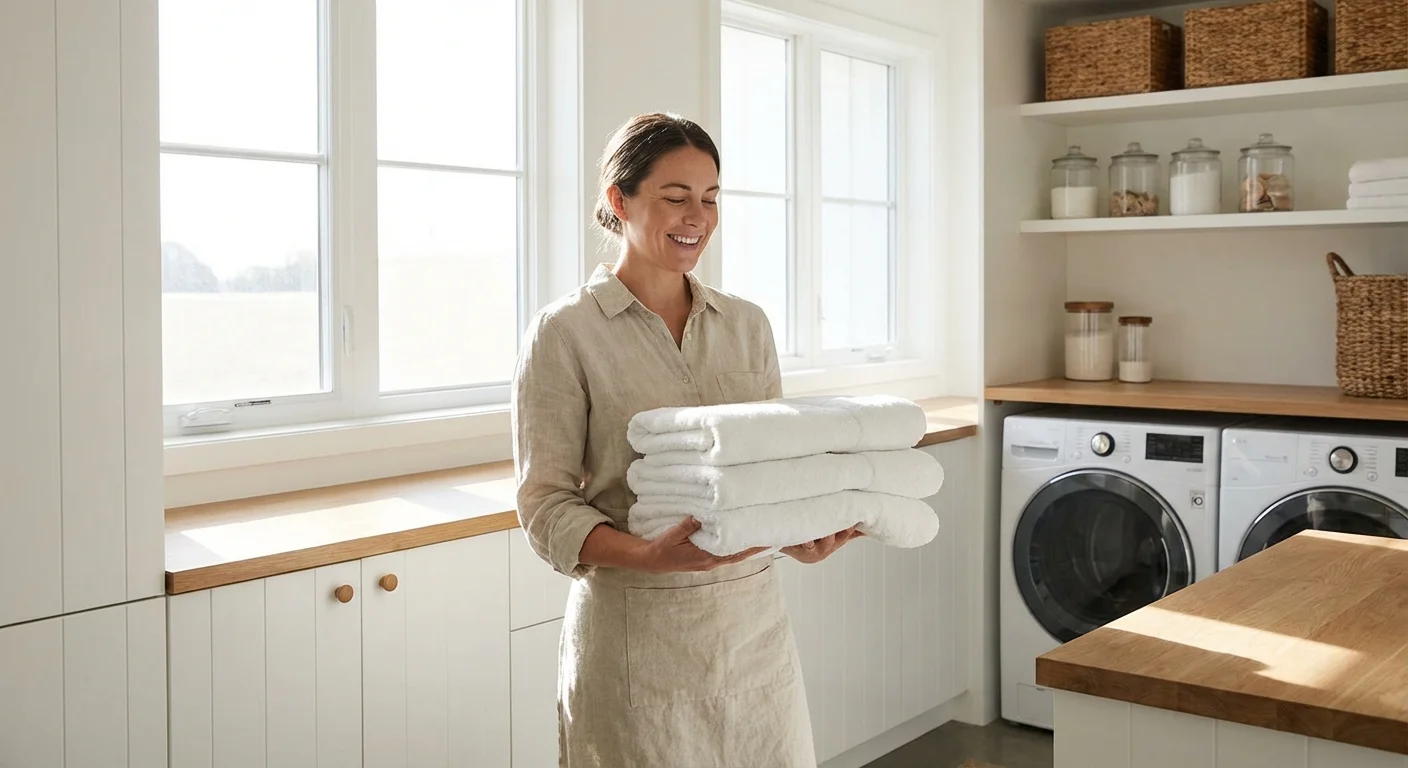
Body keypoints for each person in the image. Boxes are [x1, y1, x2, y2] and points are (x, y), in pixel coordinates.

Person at [510, 112, 860, 767]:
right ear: (620, 200)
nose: (696, 216)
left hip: (755, 634)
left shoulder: (746, 326)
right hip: (637, 640)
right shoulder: (566, 334)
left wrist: (801, 533)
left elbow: (766, 474)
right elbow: (544, 506)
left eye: (710, 198)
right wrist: (648, 556)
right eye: (675, 197)